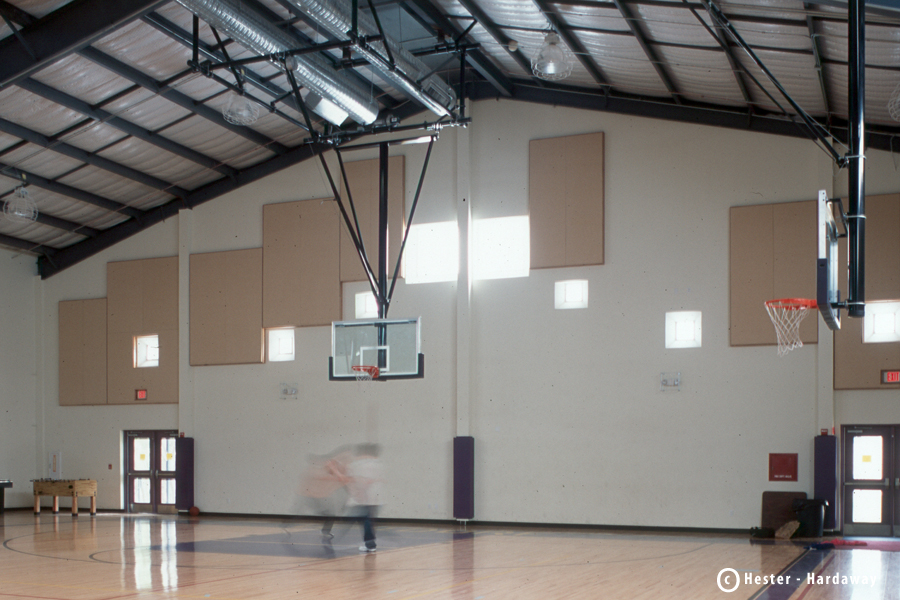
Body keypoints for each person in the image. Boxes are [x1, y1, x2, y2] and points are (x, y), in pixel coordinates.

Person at [299, 447, 352, 539]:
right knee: (329, 514)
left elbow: (342, 481)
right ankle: (325, 530)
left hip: (318, 496)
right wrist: (337, 473)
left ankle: (325, 531)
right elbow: (329, 477)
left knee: (330, 514)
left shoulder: (332, 467)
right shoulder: (316, 470)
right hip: (311, 497)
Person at [346, 443, 384, 552]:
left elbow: (363, 482)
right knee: (367, 520)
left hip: (365, 497)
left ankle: (370, 544)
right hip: (376, 497)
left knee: (364, 519)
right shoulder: (378, 463)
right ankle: (370, 543)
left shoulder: (360, 465)